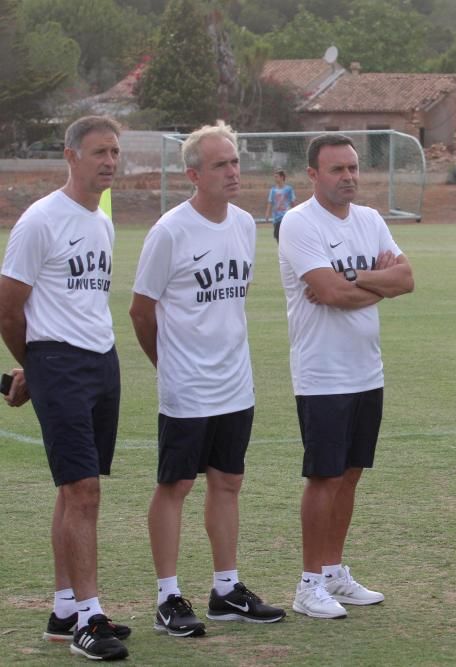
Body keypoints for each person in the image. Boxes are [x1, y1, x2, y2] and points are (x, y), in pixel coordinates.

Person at [129, 123, 286, 638]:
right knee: (175, 485)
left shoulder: (244, 224)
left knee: (228, 482)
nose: (233, 172)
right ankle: (168, 597)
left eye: (235, 162)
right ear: (193, 174)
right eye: (220, 165)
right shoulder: (170, 231)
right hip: (187, 387)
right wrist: (169, 363)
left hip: (235, 382)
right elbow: (140, 310)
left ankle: (226, 590)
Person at [0, 115, 131, 660]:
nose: (109, 162)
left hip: (102, 361)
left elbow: (78, 301)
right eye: (100, 152)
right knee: (83, 493)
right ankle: (90, 618)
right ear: (70, 155)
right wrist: (37, 365)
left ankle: (64, 609)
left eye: (116, 153)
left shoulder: (101, 221)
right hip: (61, 364)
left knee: (75, 488)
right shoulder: (40, 220)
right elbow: (8, 307)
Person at [278, 133, 413, 619]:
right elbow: (327, 293)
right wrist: (375, 283)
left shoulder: (371, 220)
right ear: (313, 175)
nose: (349, 177)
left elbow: (407, 279)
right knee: (324, 477)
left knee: (351, 475)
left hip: (366, 371)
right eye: (337, 169)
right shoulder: (298, 223)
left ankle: (334, 571)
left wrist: (354, 280)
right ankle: (308, 583)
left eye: (353, 168)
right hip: (323, 375)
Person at [264, 169, 295, 242]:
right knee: (278, 238)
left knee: (287, 237)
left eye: (276, 177)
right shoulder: (273, 190)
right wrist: (267, 213)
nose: (275, 179)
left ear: (282, 177)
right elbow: (270, 202)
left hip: (286, 216)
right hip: (276, 218)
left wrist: (296, 213)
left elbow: (292, 202)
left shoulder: (289, 189)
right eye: (274, 177)